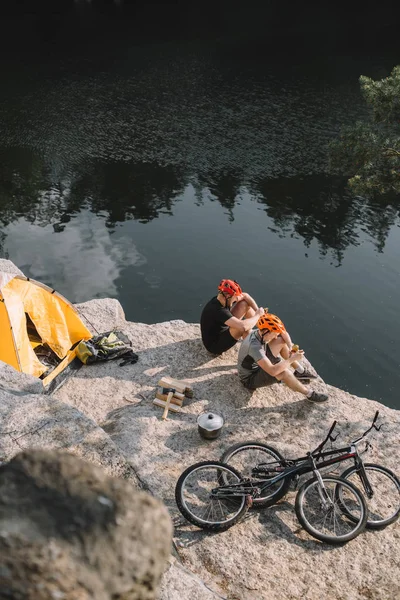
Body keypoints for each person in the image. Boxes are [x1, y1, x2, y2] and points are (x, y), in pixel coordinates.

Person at [237, 312, 329, 403]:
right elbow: (273, 371)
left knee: (281, 341)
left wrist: (290, 348)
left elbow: (283, 334)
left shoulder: (259, 333)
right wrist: (292, 359)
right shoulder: (255, 347)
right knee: (284, 372)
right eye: (275, 333)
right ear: (266, 331)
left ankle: (300, 372)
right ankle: (310, 394)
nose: (276, 336)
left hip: (256, 364)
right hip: (250, 378)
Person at [200, 279, 264, 356]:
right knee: (244, 328)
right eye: (235, 298)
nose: (236, 300)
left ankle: (264, 327)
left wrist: (258, 312)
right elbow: (243, 326)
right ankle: (257, 354)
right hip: (215, 345)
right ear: (227, 296)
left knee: (244, 304)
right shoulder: (218, 310)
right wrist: (258, 315)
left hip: (223, 328)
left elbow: (245, 296)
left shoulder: (221, 299)